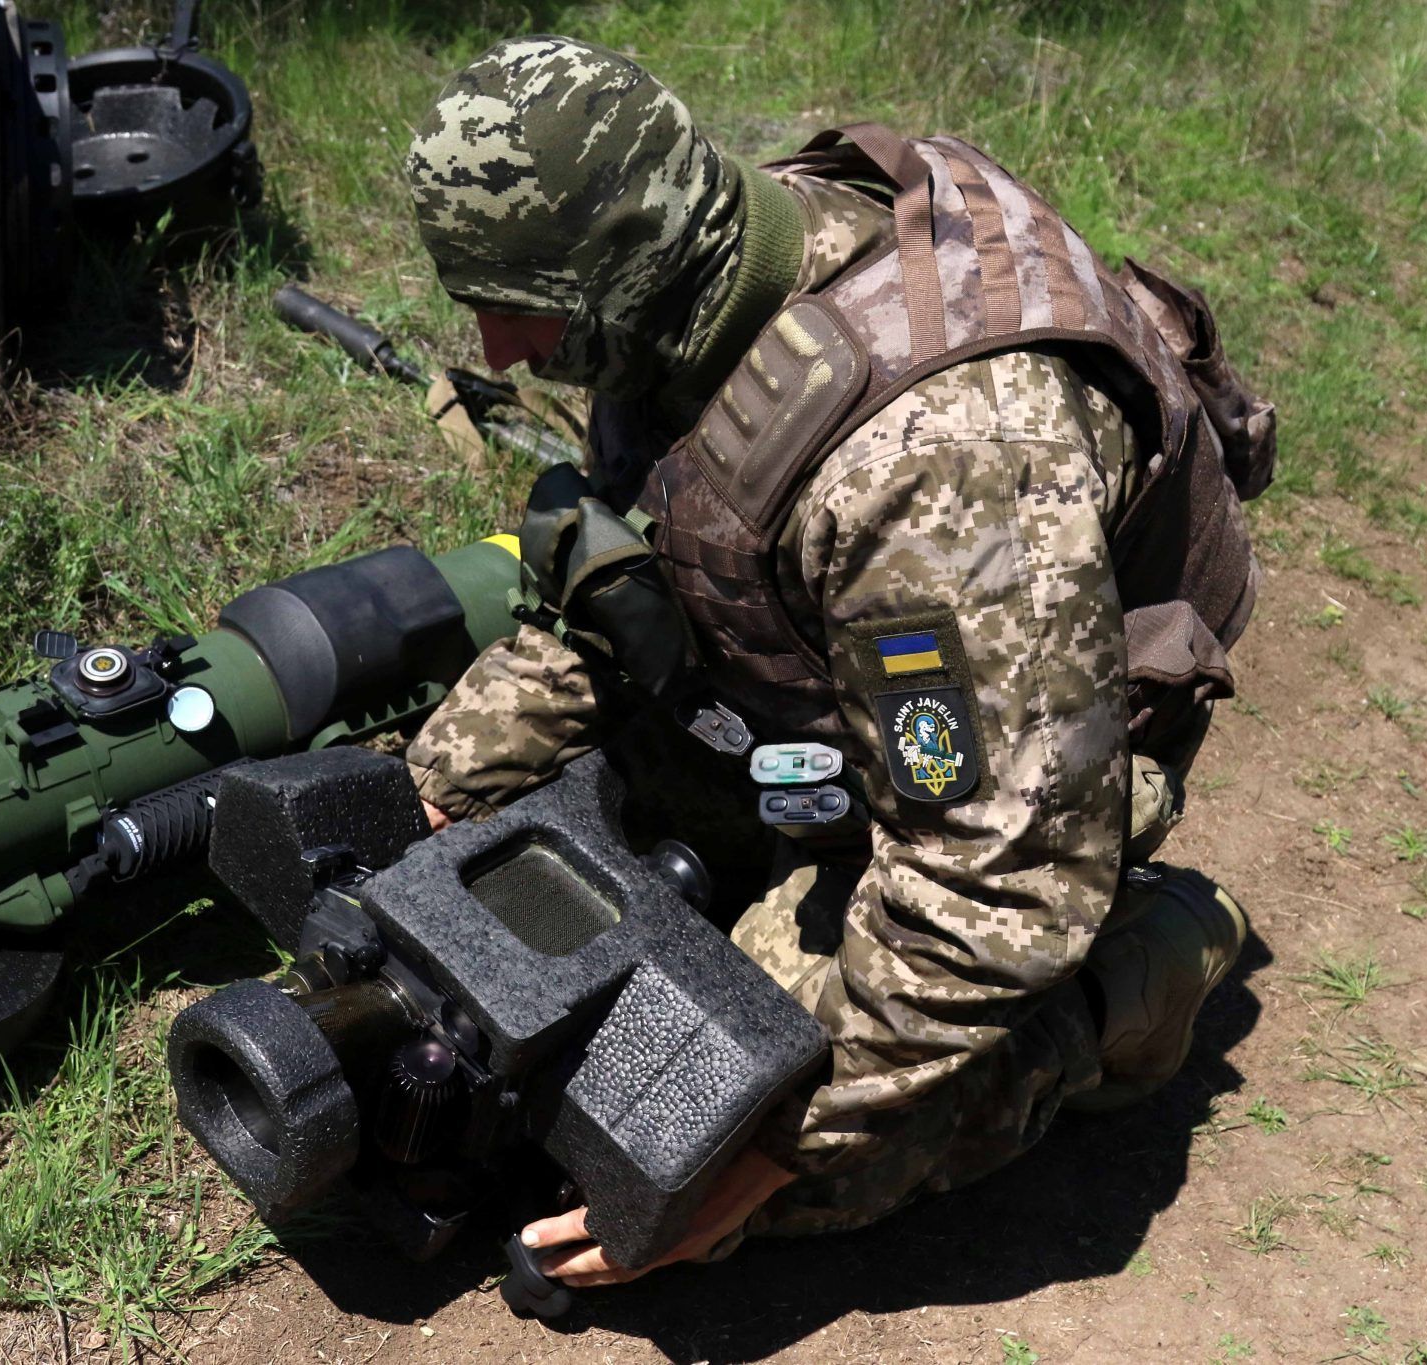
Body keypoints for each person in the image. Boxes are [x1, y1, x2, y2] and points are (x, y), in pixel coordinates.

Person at [399, 35, 1277, 1288]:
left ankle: (1140, 970)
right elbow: (629, 578)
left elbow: (998, 885)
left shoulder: (934, 471)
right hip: (857, 664)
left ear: (620, 264)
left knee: (670, 1141)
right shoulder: (688, 290)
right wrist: (436, 793)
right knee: (521, 875)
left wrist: (765, 1151)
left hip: (1039, 769)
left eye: (516, 306)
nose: (493, 349)